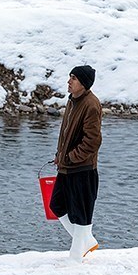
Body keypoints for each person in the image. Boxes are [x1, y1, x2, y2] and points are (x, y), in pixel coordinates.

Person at [49, 64, 103, 261]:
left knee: (81, 214)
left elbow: (93, 141)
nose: (69, 81)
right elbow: (66, 133)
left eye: (74, 78)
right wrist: (60, 154)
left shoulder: (91, 104)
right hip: (66, 166)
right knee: (56, 205)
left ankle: (75, 258)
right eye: (70, 77)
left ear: (84, 83)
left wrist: (71, 157)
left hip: (82, 168)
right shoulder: (72, 100)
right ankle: (86, 242)